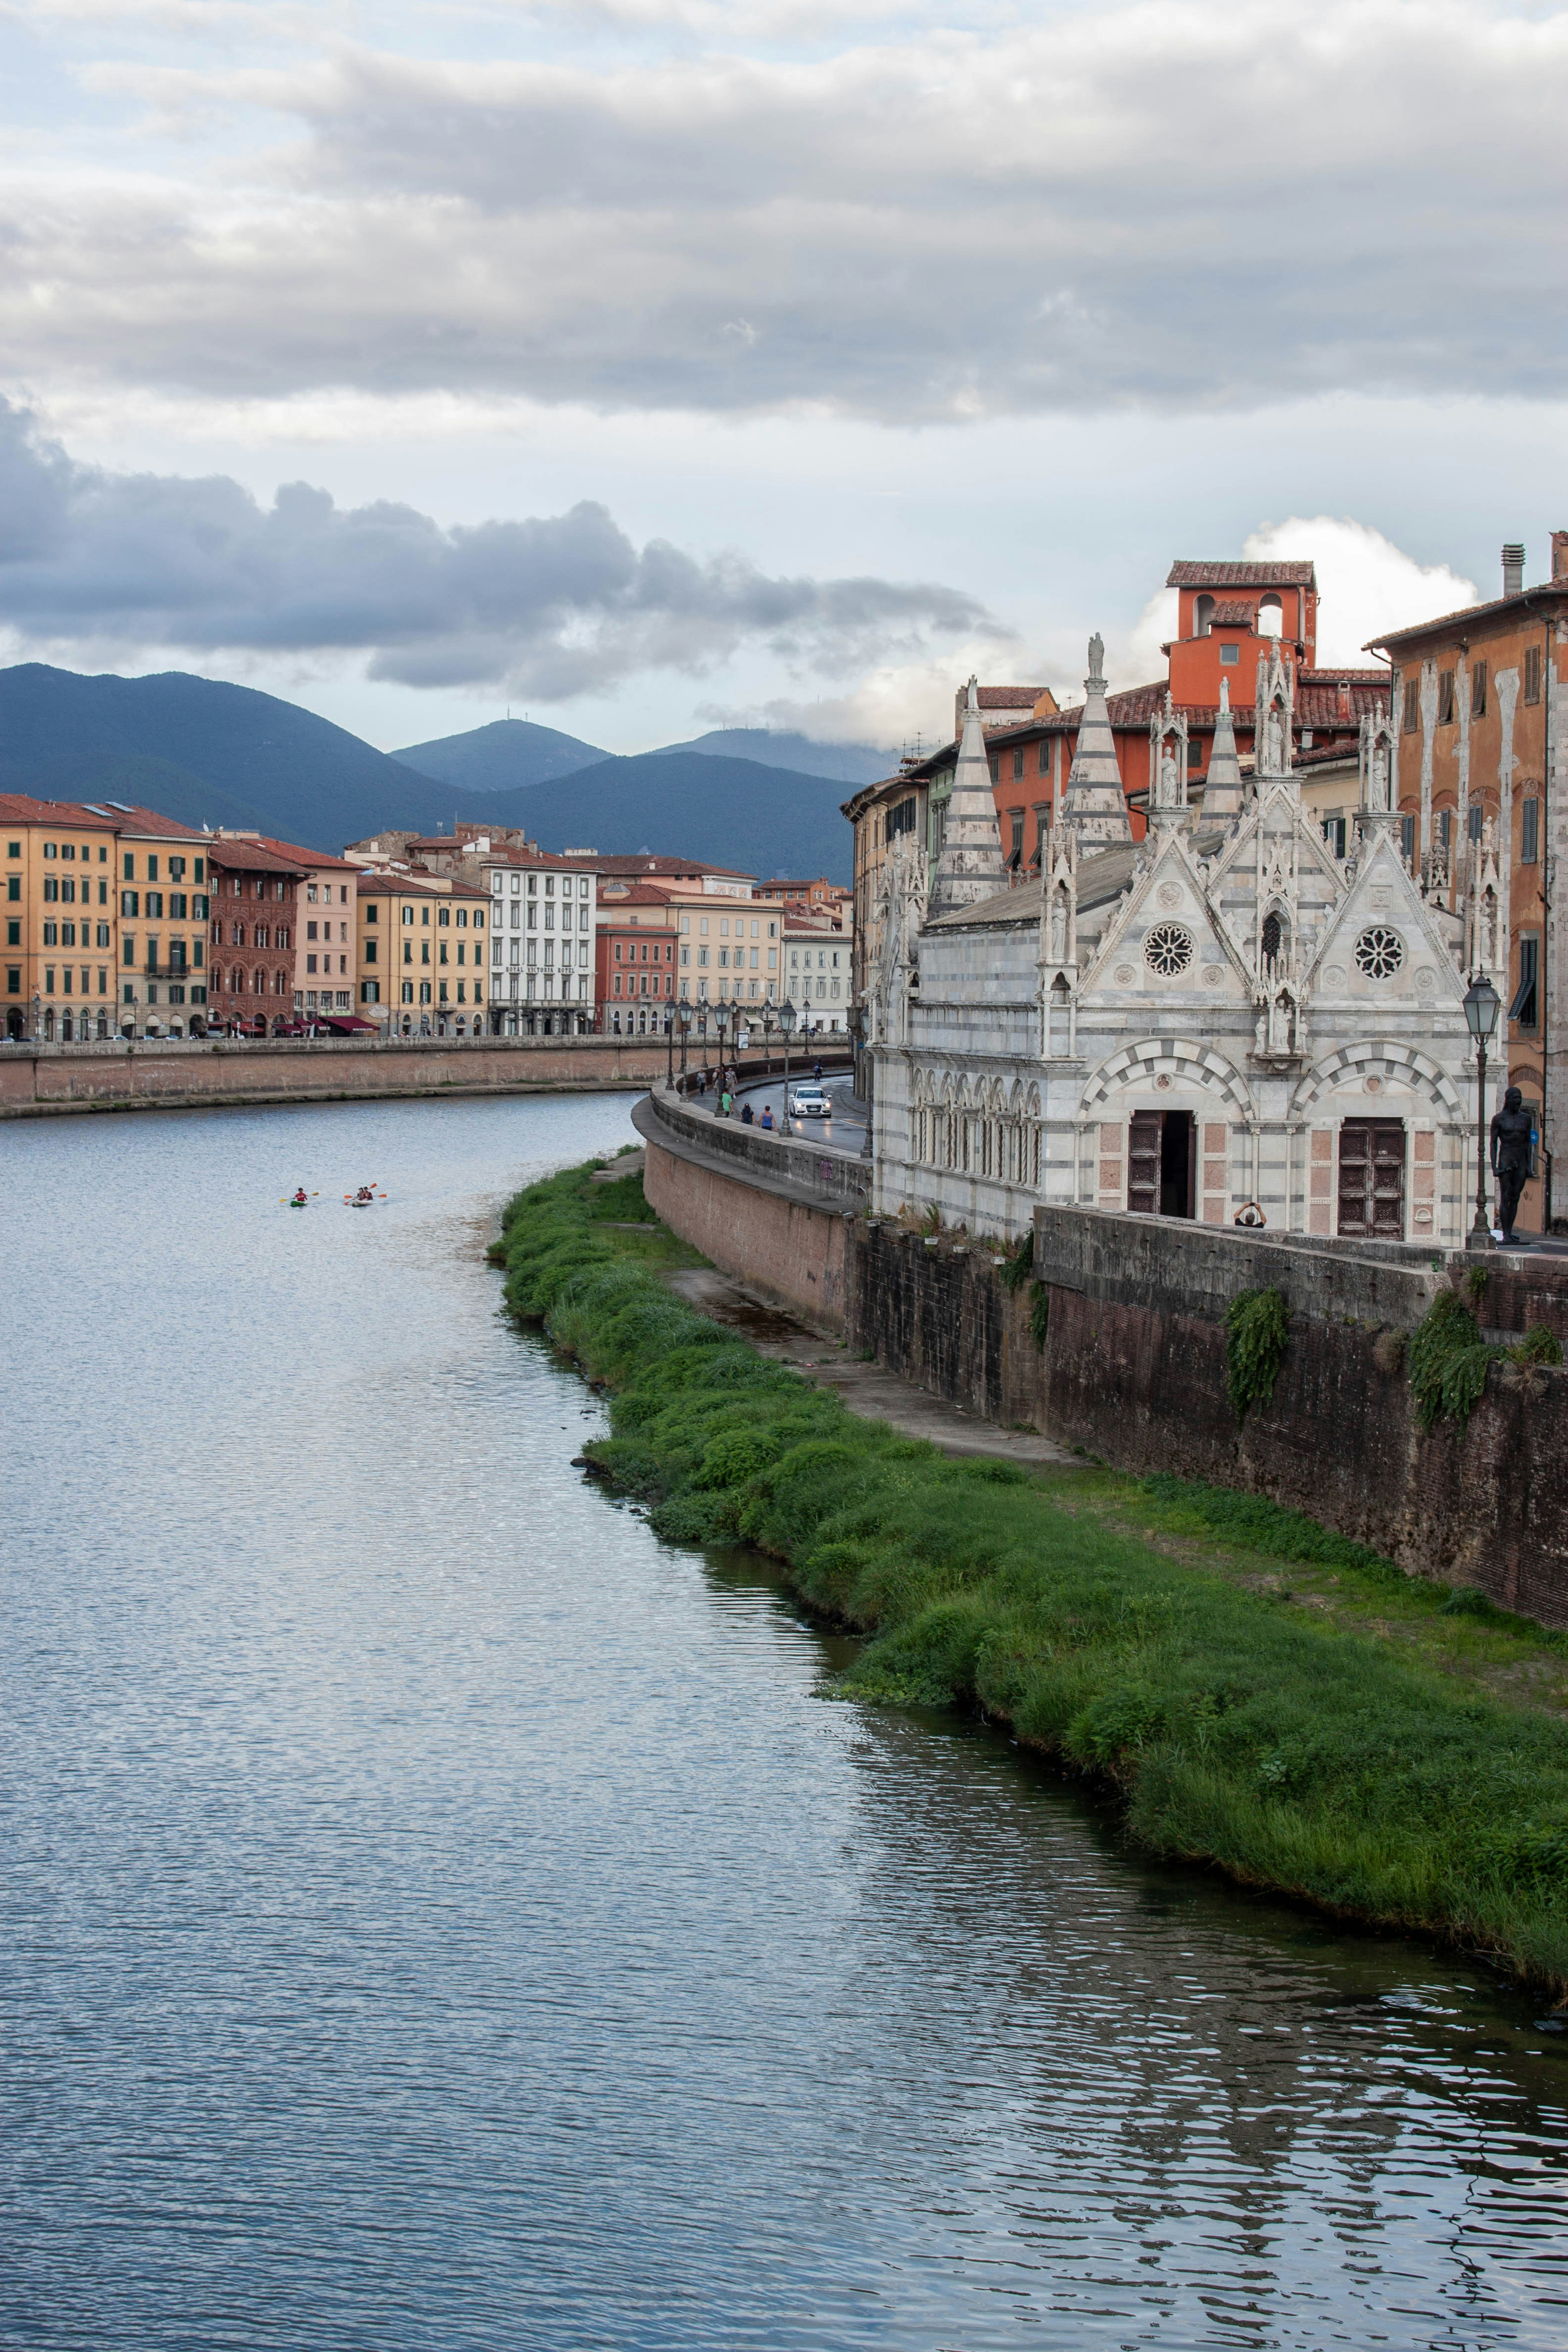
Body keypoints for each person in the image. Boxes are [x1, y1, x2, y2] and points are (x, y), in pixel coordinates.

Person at [1490, 1085, 1535, 1246]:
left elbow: (1529, 1143)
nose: (1518, 1102)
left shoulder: (1526, 1119)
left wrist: (1529, 1166)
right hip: (1506, 1158)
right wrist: (1494, 1166)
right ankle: (1505, 1232)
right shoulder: (1499, 1119)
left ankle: (1510, 1230)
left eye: (1520, 1099)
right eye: (1515, 1099)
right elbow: (1493, 1143)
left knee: (1516, 1196)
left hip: (1521, 1159)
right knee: (1506, 1195)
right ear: (1508, 1100)